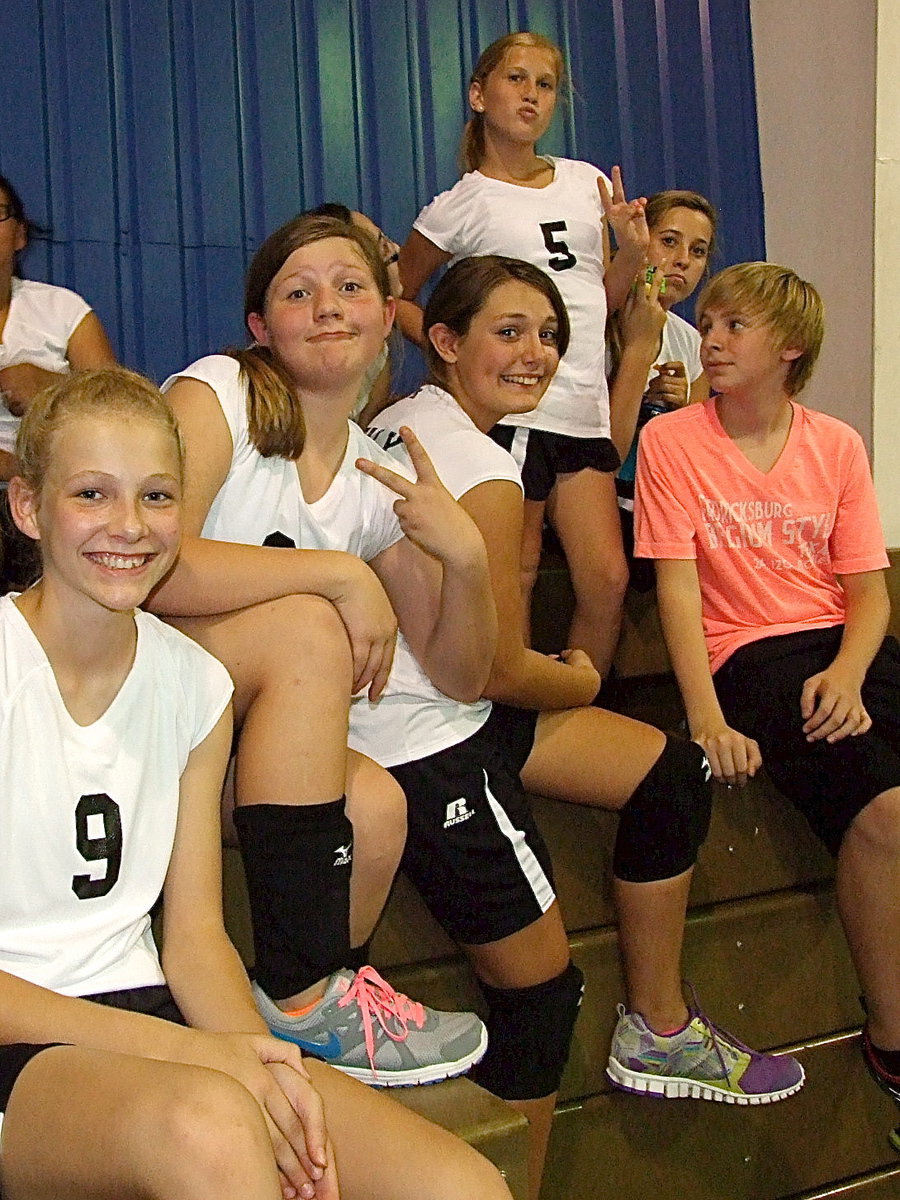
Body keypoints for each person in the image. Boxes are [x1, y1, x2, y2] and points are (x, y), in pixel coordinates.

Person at [0, 366, 512, 1200]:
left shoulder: (194, 685)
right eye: (91, 494)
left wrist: (262, 1067)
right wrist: (193, 1057)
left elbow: (196, 938)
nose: (128, 526)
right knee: (211, 1133)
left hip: (152, 1021)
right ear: (28, 507)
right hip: (25, 1044)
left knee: (457, 1186)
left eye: (159, 497)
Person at [366, 256, 805, 1198]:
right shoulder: (475, 468)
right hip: (428, 744)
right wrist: (575, 680)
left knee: (669, 772)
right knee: (541, 998)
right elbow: (486, 667)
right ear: (444, 342)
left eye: (550, 333)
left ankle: (657, 1020)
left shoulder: (413, 422)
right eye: (510, 331)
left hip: (454, 710)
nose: (537, 353)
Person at [155, 214, 495, 1088]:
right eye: (298, 292)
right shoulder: (219, 393)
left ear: (389, 317)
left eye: (350, 288)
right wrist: (340, 576)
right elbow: (152, 566)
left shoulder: (374, 473)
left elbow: (460, 674)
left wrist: (466, 560)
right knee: (307, 623)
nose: (328, 307)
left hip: (221, 764)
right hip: (135, 721)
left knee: (377, 808)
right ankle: (304, 989)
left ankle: (314, 1008)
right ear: (261, 330)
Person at [634, 261, 900, 1105]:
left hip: (840, 649)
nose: (710, 340)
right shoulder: (670, 442)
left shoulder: (836, 444)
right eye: (708, 322)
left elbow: (868, 591)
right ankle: (893, 1039)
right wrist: (705, 716)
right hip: (749, 654)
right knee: (887, 813)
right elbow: (678, 588)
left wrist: (851, 673)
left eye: (734, 326)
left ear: (789, 348)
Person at [396, 31, 650, 676]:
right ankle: (508, 710)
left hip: (582, 408)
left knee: (608, 578)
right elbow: (395, 293)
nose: (532, 95)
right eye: (516, 79)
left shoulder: (586, 182)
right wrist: (454, 351)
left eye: (545, 84)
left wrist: (632, 250)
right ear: (479, 94)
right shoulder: (460, 204)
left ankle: (578, 711)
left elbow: (600, 298)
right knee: (521, 568)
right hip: (516, 415)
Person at [608, 190, 717, 586]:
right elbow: (604, 453)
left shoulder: (692, 344)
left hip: (656, 508)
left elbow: (694, 457)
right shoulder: (598, 323)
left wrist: (682, 408)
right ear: (639, 240)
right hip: (596, 504)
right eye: (669, 241)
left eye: (698, 251)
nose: (683, 260)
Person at [0, 175, 117, 481]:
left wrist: (53, 389)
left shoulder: (63, 309)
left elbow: (120, 406)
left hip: (56, 492)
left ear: (20, 235)